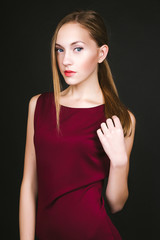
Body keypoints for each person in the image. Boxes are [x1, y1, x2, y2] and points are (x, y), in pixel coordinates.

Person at [19, 9, 136, 240]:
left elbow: (116, 203)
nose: (66, 60)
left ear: (101, 53)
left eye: (78, 48)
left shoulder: (120, 118)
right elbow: (28, 186)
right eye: (60, 50)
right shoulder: (39, 106)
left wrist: (120, 162)